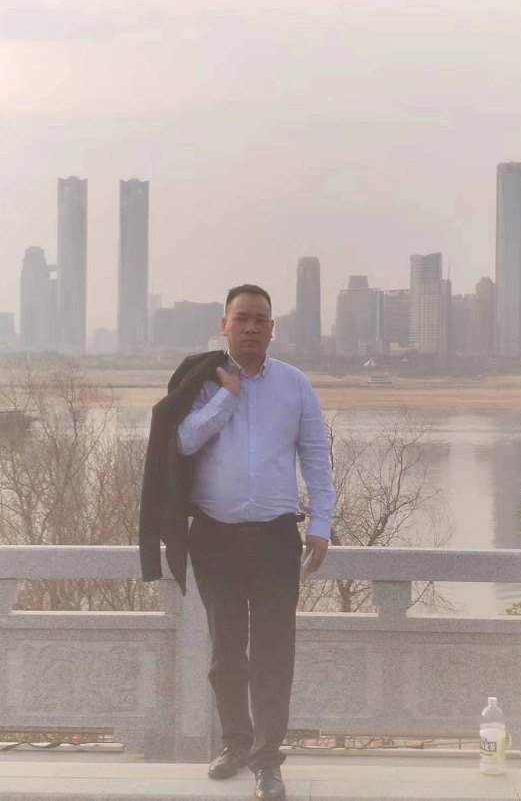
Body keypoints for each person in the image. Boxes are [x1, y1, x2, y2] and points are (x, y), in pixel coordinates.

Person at [176, 284, 335, 801]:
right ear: (224, 325)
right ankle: (235, 744)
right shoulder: (202, 380)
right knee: (226, 650)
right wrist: (228, 395)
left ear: (272, 328)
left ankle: (268, 759)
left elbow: (316, 457)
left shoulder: (294, 385)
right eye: (241, 318)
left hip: (274, 538)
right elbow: (183, 440)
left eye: (260, 319)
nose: (250, 327)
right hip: (214, 536)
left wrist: (321, 523)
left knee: (273, 652)